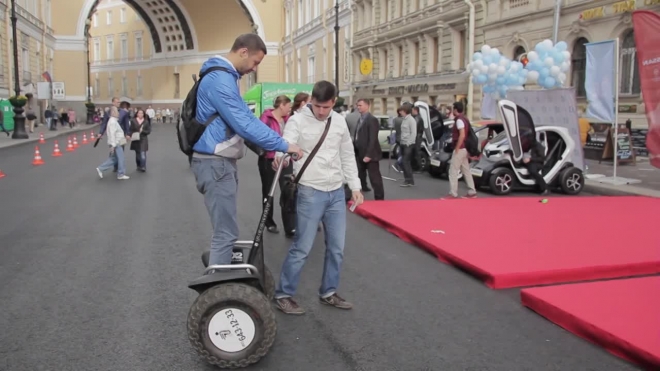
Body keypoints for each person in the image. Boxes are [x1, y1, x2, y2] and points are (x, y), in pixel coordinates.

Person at [190, 33, 303, 268]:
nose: (254, 68)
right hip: (215, 162)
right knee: (225, 233)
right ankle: (218, 291)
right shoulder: (221, 80)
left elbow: (245, 121)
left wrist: (264, 148)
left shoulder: (224, 77)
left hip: (216, 162)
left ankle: (220, 284)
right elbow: (245, 123)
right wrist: (284, 144)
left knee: (226, 231)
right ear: (243, 52)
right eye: (255, 62)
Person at [272, 80, 363, 315]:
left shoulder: (340, 122)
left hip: (335, 192)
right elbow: (287, 142)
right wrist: (282, 154)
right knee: (302, 247)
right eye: (317, 106)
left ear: (334, 102)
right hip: (310, 191)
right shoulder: (298, 120)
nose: (321, 111)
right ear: (311, 100)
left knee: (336, 248)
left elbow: (347, 155)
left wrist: (355, 186)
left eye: (326, 107)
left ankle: (328, 292)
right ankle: (283, 294)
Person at [258, 95, 295, 236]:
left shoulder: (288, 120)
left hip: (286, 160)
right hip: (268, 160)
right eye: (288, 106)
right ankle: (269, 222)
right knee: (268, 192)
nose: (290, 109)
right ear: (282, 105)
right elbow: (261, 137)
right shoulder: (266, 118)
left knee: (288, 192)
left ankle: (290, 226)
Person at [354, 99, 384, 200]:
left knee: (375, 178)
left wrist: (369, 154)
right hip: (359, 153)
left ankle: (379, 199)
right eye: (357, 105)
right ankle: (358, 195)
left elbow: (373, 138)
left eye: (360, 105)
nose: (358, 107)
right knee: (359, 175)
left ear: (367, 106)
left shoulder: (372, 119)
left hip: (370, 155)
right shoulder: (360, 118)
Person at [447, 102, 477, 198]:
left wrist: (457, 148)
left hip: (460, 148)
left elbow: (462, 135)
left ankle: (453, 193)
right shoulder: (465, 119)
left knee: (453, 171)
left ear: (455, 110)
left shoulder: (459, 120)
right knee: (466, 170)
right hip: (465, 149)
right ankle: (472, 191)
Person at [95, 106, 129, 180]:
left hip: (116, 142)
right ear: (113, 112)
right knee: (121, 158)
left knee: (114, 159)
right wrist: (113, 145)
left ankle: (101, 168)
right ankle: (120, 173)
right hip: (117, 143)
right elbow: (112, 134)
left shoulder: (113, 121)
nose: (118, 113)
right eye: (116, 111)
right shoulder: (113, 122)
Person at [399, 103, 417, 187]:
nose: (400, 112)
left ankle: (408, 180)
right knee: (405, 163)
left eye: (401, 111)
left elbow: (413, 133)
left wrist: (408, 143)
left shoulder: (411, 120)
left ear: (405, 111)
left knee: (405, 162)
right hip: (403, 143)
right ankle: (409, 180)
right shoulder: (404, 119)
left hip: (408, 144)